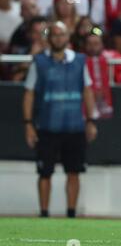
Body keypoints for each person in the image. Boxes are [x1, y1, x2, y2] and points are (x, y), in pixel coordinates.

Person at [23, 21, 97, 218]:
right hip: (47, 126)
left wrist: (90, 120)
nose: (58, 38)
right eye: (54, 35)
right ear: (49, 38)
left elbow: (87, 90)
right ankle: (44, 213)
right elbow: (29, 93)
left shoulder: (80, 60)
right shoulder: (39, 62)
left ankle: (71, 213)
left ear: (68, 38)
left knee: (74, 171)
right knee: (44, 172)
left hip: (74, 126)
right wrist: (28, 124)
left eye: (62, 34)